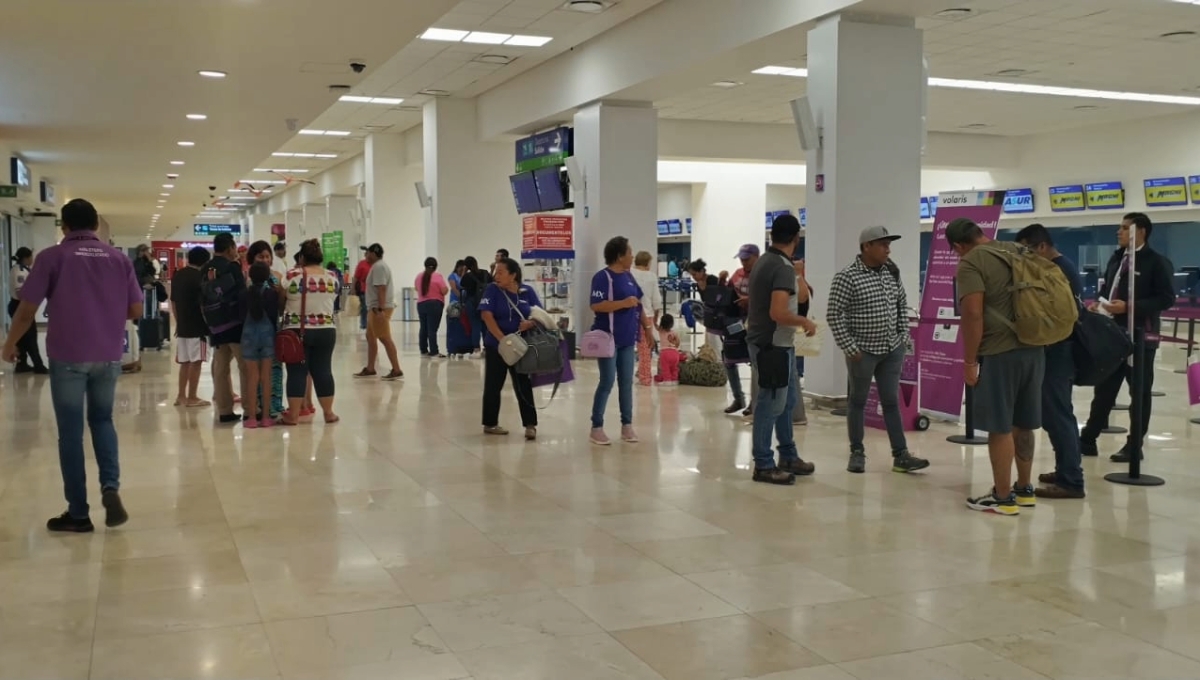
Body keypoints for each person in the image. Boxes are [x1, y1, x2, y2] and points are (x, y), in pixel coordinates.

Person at [1, 198, 141, 532]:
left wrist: (8, 345)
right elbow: (136, 311)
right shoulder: (119, 259)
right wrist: (103, 316)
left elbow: (25, 310)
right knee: (103, 420)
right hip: (107, 355)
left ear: (64, 227)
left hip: (67, 355)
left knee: (70, 434)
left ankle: (78, 512)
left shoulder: (51, 257)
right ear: (95, 225)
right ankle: (110, 486)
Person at [947, 217, 1044, 515]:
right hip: (1034, 346)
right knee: (1024, 421)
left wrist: (969, 361)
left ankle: (1002, 497)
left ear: (957, 246)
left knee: (999, 425)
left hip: (1001, 352)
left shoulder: (971, 263)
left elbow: (973, 314)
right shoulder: (1016, 249)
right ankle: (1024, 489)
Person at [827, 226, 929, 475]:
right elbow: (833, 314)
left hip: (891, 349)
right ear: (866, 247)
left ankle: (901, 455)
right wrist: (849, 347)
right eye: (882, 244)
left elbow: (901, 303)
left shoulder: (891, 272)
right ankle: (857, 452)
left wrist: (902, 336)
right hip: (862, 352)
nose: (888, 249)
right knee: (858, 402)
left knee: (891, 402)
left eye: (888, 244)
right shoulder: (847, 277)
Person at [1080, 212, 1176, 463]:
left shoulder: (1156, 262)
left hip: (1141, 337)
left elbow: (1166, 298)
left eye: (1124, 228)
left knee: (1139, 392)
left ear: (1141, 231)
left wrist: (1130, 307)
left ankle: (1135, 444)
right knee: (1104, 390)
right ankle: (1088, 438)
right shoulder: (1117, 259)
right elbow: (1107, 289)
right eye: (1119, 228)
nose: (1118, 232)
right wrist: (1098, 304)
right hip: (1112, 337)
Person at [1014, 224, 1086, 499]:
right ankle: (1065, 468)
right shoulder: (1062, 266)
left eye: (1027, 251)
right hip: (1059, 350)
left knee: (1058, 416)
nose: (1025, 258)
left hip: (1058, 351)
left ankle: (1071, 480)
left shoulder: (1057, 270)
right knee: (1055, 414)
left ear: (1041, 247)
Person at [746, 215, 817, 485]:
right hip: (772, 344)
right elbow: (778, 311)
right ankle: (763, 464)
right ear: (796, 239)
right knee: (770, 403)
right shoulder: (782, 267)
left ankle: (788, 454)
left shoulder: (767, 260)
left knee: (785, 403)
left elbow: (797, 297)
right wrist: (804, 321)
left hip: (771, 342)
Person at [589, 236, 653, 446]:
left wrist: (648, 329)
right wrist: (622, 303)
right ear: (619, 256)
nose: (632, 256)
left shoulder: (629, 276)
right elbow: (596, 305)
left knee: (626, 383)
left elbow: (639, 305)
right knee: (607, 381)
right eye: (629, 252)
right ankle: (596, 426)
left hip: (627, 339)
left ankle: (627, 425)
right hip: (608, 338)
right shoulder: (602, 277)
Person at [478, 257, 541, 440]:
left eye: (500, 272)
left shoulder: (527, 291)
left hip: (521, 346)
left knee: (523, 384)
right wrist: (503, 340)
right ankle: (490, 423)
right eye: (495, 272)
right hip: (497, 346)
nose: (496, 276)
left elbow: (539, 313)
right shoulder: (492, 290)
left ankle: (530, 424)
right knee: (493, 385)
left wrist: (531, 323)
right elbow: (486, 316)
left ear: (513, 275)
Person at [280, 239, 339, 425]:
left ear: (302, 257)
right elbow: (338, 293)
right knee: (323, 371)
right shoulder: (332, 276)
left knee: (297, 372)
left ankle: (294, 415)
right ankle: (329, 413)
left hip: (297, 331)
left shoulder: (291, 276)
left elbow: (281, 300)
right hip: (326, 329)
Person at [687, 259, 746, 415]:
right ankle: (738, 398)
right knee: (729, 360)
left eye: (694, 274)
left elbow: (723, 298)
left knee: (744, 359)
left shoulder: (714, 280)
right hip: (719, 323)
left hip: (734, 322)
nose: (693, 277)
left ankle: (747, 400)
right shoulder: (701, 284)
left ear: (701, 271)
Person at [202, 233, 248, 424]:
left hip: (215, 325)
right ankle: (250, 408)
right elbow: (242, 295)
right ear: (229, 248)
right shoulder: (232, 267)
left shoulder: (205, 268)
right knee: (245, 368)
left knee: (221, 369)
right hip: (235, 324)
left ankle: (225, 411)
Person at [247, 241, 285, 418]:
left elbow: (282, 307)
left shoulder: (278, 276)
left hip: (274, 328)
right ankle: (258, 406)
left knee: (274, 370)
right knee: (256, 371)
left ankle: (275, 404)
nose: (265, 260)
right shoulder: (248, 279)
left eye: (267, 256)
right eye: (260, 256)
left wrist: (281, 293)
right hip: (253, 330)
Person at [170, 246, 211, 407]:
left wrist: (179, 322)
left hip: (183, 327)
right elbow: (202, 305)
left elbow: (173, 302)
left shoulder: (178, 275)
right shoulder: (201, 277)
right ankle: (192, 396)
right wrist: (209, 323)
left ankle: (181, 396)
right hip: (198, 328)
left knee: (185, 362)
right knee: (196, 362)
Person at [355, 243, 403, 380]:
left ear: (374, 254)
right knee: (370, 337)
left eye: (368, 253)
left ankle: (396, 369)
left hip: (378, 308)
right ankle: (370, 368)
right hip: (374, 308)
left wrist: (380, 309)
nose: (366, 255)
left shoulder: (379, 267)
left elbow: (381, 288)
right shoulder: (377, 266)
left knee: (384, 337)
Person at [241, 262, 279, 429]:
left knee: (251, 378)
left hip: (248, 335)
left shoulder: (244, 294)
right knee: (266, 377)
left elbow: (240, 315)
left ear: (250, 276)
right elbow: (274, 316)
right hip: (267, 336)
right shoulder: (271, 294)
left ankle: (250, 417)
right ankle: (265, 417)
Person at [728, 245, 761, 416]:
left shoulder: (763, 273)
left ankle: (754, 403)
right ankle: (738, 398)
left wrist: (750, 300)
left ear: (757, 256)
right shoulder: (738, 274)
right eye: (741, 259)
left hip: (755, 324)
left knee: (755, 364)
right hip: (736, 322)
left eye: (747, 259)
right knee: (729, 359)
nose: (743, 262)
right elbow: (728, 292)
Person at [8, 247, 47, 374]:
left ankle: (22, 364)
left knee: (23, 337)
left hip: (19, 305)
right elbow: (21, 293)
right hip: (19, 305)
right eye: (31, 257)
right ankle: (38, 365)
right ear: (26, 258)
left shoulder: (22, 269)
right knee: (30, 336)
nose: (32, 259)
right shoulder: (19, 271)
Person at [631, 251, 662, 386]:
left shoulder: (629, 273)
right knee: (645, 348)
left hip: (629, 314)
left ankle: (636, 372)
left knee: (627, 347)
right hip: (647, 314)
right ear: (648, 263)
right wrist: (656, 315)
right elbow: (656, 299)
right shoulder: (651, 277)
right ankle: (645, 377)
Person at [415, 257, 449, 358]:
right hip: (434, 305)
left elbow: (417, 288)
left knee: (423, 328)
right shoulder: (437, 276)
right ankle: (434, 351)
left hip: (421, 304)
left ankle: (423, 349)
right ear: (435, 266)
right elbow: (444, 291)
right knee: (432, 329)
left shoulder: (418, 276)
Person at [792, 258, 812, 426]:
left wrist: (798, 274)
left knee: (794, 375)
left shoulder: (800, 284)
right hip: (789, 334)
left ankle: (797, 414)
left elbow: (803, 299)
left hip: (794, 335)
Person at [459, 256, 492, 354]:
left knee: (475, 326)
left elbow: (462, 285)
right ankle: (487, 347)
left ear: (466, 266)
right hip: (485, 303)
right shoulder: (485, 273)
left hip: (472, 303)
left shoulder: (467, 276)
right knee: (486, 326)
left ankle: (476, 348)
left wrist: (464, 272)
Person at [655, 313, 683, 385]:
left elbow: (655, 325)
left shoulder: (661, 331)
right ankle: (674, 379)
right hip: (675, 354)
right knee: (674, 368)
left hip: (665, 353)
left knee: (665, 368)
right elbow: (678, 343)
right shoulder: (674, 333)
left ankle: (667, 380)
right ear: (672, 324)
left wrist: (655, 316)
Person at [353, 251, 372, 331]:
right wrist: (353, 288)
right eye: (366, 254)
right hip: (363, 289)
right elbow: (356, 277)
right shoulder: (362, 264)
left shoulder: (376, 264)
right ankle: (364, 324)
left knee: (372, 308)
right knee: (364, 307)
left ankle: (371, 324)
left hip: (374, 290)